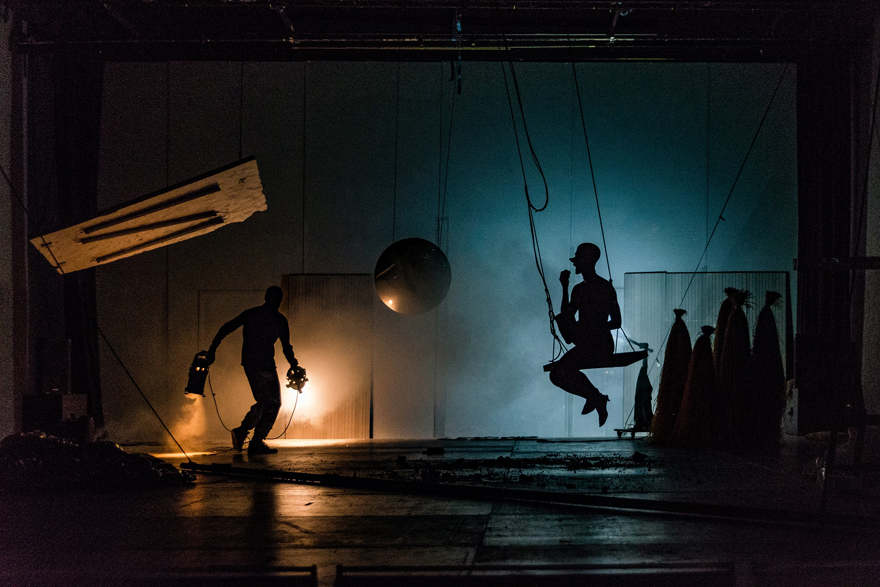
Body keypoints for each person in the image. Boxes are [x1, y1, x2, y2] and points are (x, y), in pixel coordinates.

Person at [205, 285, 298, 455]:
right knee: (268, 402)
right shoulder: (277, 319)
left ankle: (251, 437)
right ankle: (250, 436)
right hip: (259, 364)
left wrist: (213, 350)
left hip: (258, 364)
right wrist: (293, 364)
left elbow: (226, 328)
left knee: (270, 402)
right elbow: (286, 347)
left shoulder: (257, 315)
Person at [549, 243, 621, 427]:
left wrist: (594, 328)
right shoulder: (578, 290)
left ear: (587, 261)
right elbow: (567, 315)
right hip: (586, 344)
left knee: (565, 370)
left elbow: (617, 321)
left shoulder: (605, 287)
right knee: (555, 375)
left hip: (601, 344)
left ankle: (596, 398)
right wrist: (565, 287)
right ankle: (596, 397)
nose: (574, 264)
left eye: (577, 260)